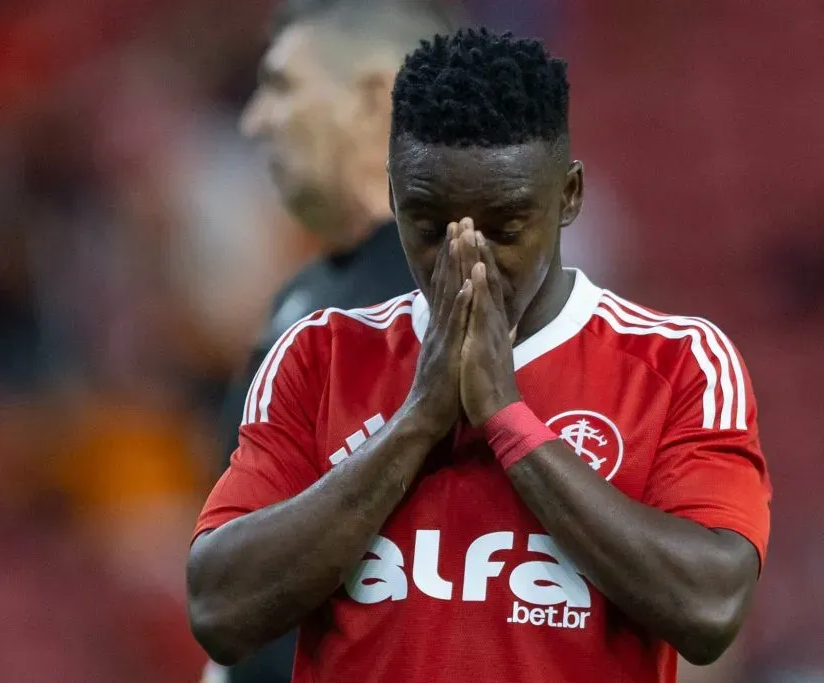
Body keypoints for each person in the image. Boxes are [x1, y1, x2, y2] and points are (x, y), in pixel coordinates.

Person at [188, 28, 772, 683]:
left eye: (505, 226)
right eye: (429, 225)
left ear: (569, 196)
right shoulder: (319, 355)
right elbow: (218, 608)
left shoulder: (677, 364)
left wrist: (507, 417)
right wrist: (417, 421)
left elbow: (711, 605)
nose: (467, 257)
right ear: (392, 194)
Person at [209, 2, 458, 681]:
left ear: (374, 97)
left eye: (282, 87)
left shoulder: (474, 298)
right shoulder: (300, 300)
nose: (254, 120)